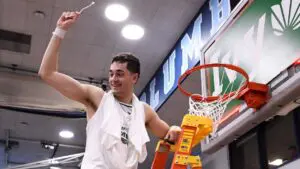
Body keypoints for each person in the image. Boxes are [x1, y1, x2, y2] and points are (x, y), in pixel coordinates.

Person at [38, 11, 181, 169]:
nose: (113, 79)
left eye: (119, 74)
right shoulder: (97, 97)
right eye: (111, 74)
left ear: (134, 78)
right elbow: (47, 73)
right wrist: (59, 30)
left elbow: (169, 135)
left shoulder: (144, 111)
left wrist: (175, 128)